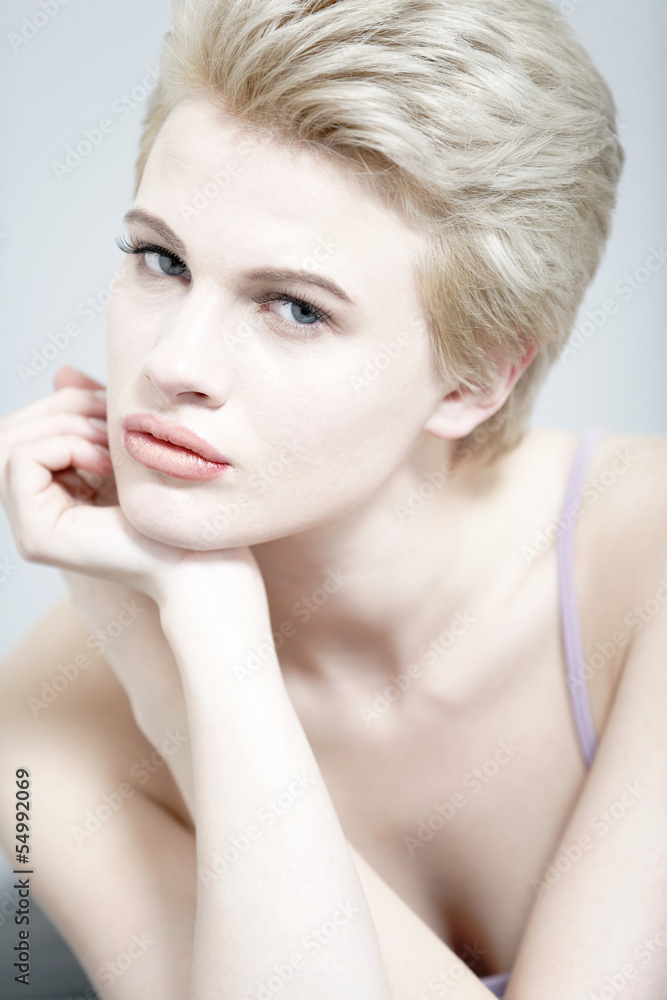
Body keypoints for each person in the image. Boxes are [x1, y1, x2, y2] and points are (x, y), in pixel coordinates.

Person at [0, 0, 665, 997]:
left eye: (295, 307)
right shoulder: (46, 718)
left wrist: (179, 699)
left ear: (473, 378)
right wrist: (200, 647)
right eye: (161, 260)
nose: (175, 364)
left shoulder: (647, 562)